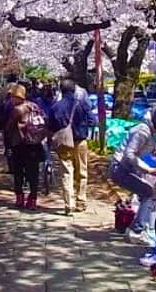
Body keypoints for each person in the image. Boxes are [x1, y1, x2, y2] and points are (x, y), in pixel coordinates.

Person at [109, 103, 156, 246]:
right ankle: (137, 231)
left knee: (148, 193)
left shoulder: (152, 132)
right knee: (149, 193)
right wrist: (148, 169)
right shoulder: (142, 131)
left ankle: (139, 226)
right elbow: (129, 154)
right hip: (120, 168)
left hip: (129, 168)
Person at [49, 78, 97, 214]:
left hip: (64, 142)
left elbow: (51, 126)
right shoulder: (81, 104)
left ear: (61, 90)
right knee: (82, 172)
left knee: (66, 172)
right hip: (80, 141)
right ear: (74, 90)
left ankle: (69, 204)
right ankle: (81, 201)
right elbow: (93, 121)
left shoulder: (55, 106)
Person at [5, 83, 48, 210]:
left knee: (18, 172)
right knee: (33, 173)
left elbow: (9, 127)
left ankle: (20, 198)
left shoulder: (17, 110)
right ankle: (33, 199)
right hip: (35, 144)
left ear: (17, 97)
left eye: (12, 97)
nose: (11, 99)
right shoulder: (34, 106)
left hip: (20, 144)